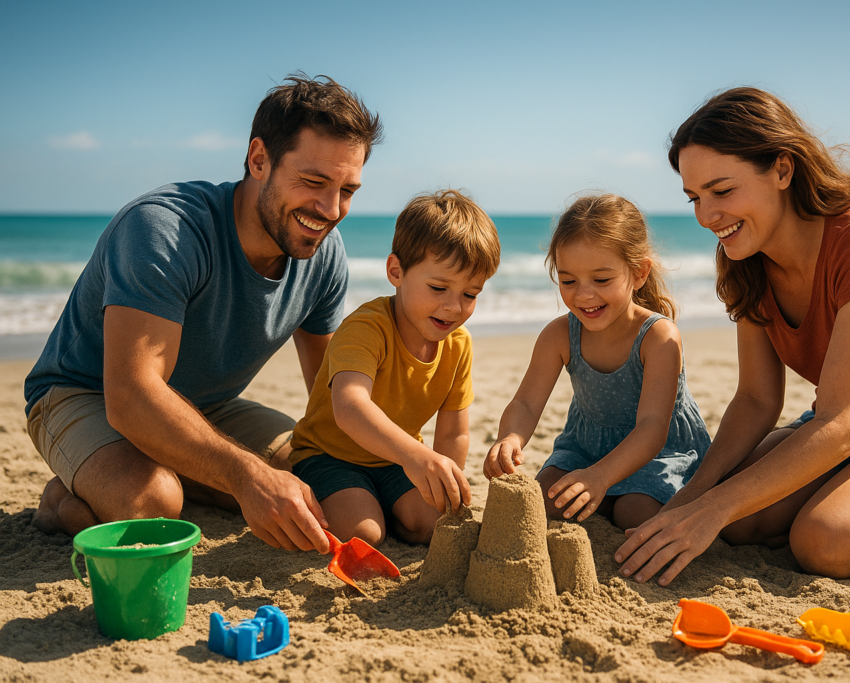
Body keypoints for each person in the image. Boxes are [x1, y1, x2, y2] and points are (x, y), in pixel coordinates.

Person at [615, 87, 850, 584]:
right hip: (848, 431)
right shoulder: (744, 257)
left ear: (781, 168)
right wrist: (691, 504)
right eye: (695, 198)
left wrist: (709, 511)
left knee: (824, 543)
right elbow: (756, 400)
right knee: (738, 521)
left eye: (722, 190)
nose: (707, 216)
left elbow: (840, 423)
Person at [24, 74, 383, 554]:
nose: (331, 208)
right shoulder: (164, 229)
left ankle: (173, 468)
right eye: (314, 182)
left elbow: (329, 397)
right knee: (154, 500)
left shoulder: (324, 252)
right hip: (85, 393)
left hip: (204, 404)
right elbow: (131, 396)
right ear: (259, 159)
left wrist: (401, 457)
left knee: (323, 479)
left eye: (348, 190)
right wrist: (246, 474)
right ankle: (64, 502)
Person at [484, 194, 711, 530]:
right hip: (586, 446)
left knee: (635, 514)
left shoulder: (659, 338)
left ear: (638, 273)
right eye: (568, 281)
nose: (583, 295)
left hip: (654, 453)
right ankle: (601, 495)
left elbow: (652, 428)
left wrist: (601, 476)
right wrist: (510, 438)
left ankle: (610, 496)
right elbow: (526, 403)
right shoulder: (560, 335)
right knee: (544, 501)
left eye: (601, 280)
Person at [288, 189, 501, 546]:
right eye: (438, 287)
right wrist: (417, 456)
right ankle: (355, 503)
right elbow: (350, 407)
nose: (453, 307)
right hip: (330, 455)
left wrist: (445, 478)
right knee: (365, 533)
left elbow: (453, 433)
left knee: (431, 524)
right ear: (396, 271)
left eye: (470, 294)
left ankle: (384, 503)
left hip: (396, 460)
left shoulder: (458, 345)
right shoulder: (367, 327)